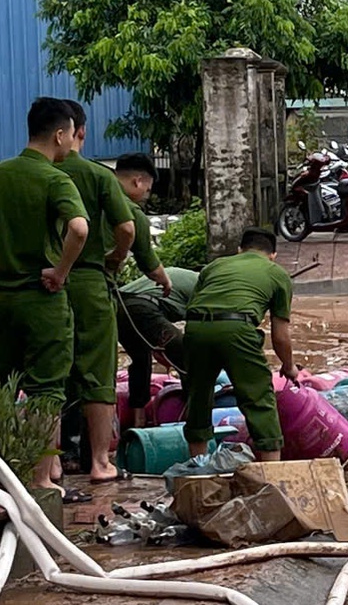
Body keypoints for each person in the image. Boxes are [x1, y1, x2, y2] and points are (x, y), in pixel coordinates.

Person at [0, 98, 89, 488]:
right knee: (47, 390)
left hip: (6, 301)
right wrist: (61, 272)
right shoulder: (53, 179)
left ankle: (4, 474)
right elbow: (78, 228)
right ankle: (40, 480)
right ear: (60, 134)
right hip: (42, 299)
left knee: (4, 385)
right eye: (70, 136)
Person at [54, 101, 139, 483]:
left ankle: (54, 460)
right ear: (79, 132)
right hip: (89, 278)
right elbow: (127, 229)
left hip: (39, 285)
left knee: (50, 373)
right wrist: (115, 258)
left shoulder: (24, 174)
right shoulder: (97, 176)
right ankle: (99, 463)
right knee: (98, 372)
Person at [179, 227, 297, 464]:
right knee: (259, 399)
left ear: (240, 250)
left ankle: (199, 467)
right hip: (237, 330)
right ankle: (272, 472)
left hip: (195, 329)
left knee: (198, 396)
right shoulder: (277, 273)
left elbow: (197, 304)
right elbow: (281, 335)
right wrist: (289, 366)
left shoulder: (214, 266)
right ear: (273, 254)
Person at [109, 152, 188, 420]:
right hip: (133, 305)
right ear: (138, 181)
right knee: (187, 357)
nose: (147, 195)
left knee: (139, 358)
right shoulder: (130, 212)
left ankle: (138, 421)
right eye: (149, 189)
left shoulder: (93, 193)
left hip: (115, 300)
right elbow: (149, 262)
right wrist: (163, 279)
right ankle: (195, 421)